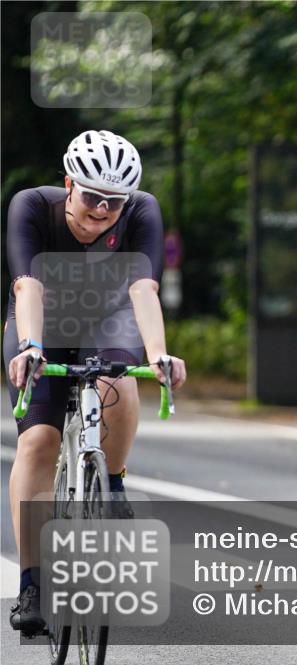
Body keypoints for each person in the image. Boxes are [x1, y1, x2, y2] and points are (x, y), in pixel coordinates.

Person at [5, 130, 187, 635]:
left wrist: (158, 356)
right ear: (69, 184)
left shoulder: (141, 211)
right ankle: (32, 586)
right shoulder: (32, 208)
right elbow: (28, 285)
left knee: (122, 382)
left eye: (114, 201)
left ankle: (112, 481)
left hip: (107, 320)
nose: (103, 210)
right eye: (92, 197)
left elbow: (144, 288)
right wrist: (33, 348)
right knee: (38, 445)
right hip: (41, 322)